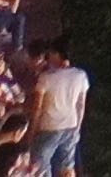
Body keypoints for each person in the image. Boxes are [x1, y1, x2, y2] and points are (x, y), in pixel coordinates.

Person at [21, 42, 91, 177]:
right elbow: (80, 105)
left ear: (58, 55)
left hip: (48, 127)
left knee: (40, 166)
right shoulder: (81, 76)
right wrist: (77, 128)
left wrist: (32, 131)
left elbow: (38, 107)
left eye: (51, 53)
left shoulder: (46, 78)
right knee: (67, 167)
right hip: (71, 126)